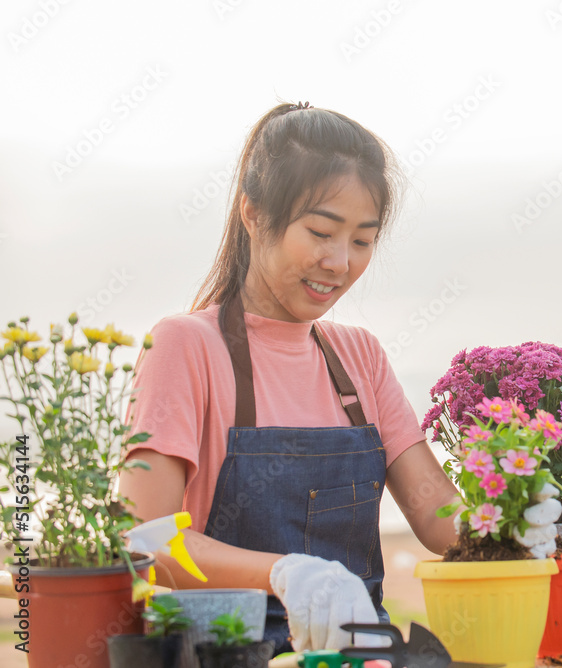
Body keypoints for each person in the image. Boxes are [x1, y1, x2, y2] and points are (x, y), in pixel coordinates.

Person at [118, 102, 463, 654]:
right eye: (322, 232)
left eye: (361, 240)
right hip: (225, 652)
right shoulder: (185, 346)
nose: (339, 262)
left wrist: (523, 521)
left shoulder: (360, 357)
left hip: (355, 654)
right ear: (252, 213)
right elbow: (143, 544)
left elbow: (437, 518)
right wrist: (286, 573)